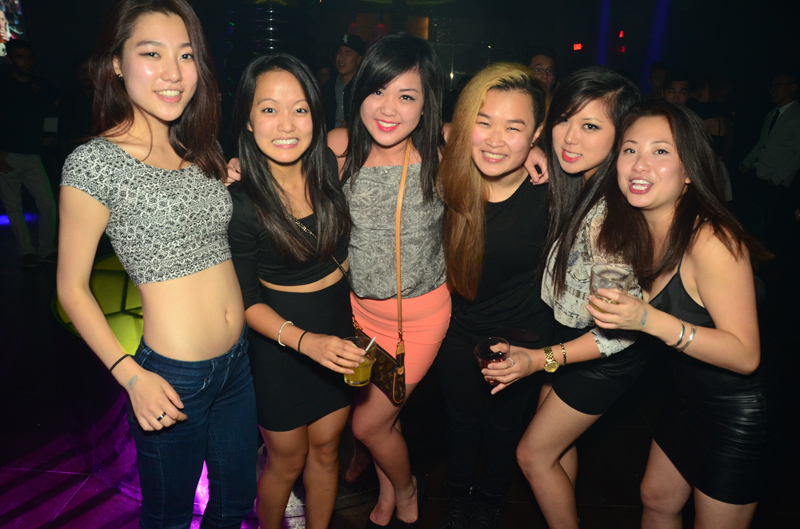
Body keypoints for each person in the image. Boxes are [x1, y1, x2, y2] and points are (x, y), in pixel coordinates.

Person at [56, 1, 256, 527]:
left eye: (186, 55)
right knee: (168, 519)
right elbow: (71, 287)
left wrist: (227, 178)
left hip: (237, 362)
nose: (173, 73)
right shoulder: (94, 163)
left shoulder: (198, 147)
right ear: (116, 64)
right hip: (172, 378)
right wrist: (130, 376)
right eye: (152, 54)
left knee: (235, 503)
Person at [590, 100, 778, 528]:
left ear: (690, 169)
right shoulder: (641, 227)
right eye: (630, 149)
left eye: (661, 151)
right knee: (656, 500)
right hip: (687, 397)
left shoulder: (711, 239)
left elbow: (746, 354)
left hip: (739, 412)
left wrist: (647, 320)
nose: (639, 165)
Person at [483, 66, 643, 529]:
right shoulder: (580, 182)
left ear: (621, 136)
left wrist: (540, 360)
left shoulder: (611, 218)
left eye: (590, 126)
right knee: (556, 447)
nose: (569, 138)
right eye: (564, 119)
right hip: (570, 340)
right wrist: (531, 149)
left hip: (600, 357)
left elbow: (618, 335)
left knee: (533, 455)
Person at [227, 53, 364, 529]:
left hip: (337, 338)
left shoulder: (329, 167)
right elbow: (246, 302)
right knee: (286, 461)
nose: (286, 124)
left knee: (326, 451)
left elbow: (413, 130)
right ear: (248, 120)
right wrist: (308, 343)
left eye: (300, 109)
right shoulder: (240, 204)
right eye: (269, 109)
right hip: (282, 349)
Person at [327, 32, 449, 529]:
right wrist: (236, 166)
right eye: (378, 90)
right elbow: (274, 161)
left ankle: (406, 487)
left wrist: (533, 153)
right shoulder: (338, 148)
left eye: (406, 95)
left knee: (369, 424)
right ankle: (385, 487)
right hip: (358, 317)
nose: (388, 109)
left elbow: (502, 148)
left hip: (418, 319)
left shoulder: (440, 156)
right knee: (384, 420)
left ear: (426, 104)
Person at [437, 63, 552, 529]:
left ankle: (490, 502)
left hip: (520, 334)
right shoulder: (446, 178)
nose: (495, 140)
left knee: (504, 428)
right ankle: (458, 497)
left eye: (514, 128)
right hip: (455, 329)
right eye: (483, 122)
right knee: (460, 422)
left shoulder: (551, 194)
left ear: (537, 133)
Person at [0, 39, 57, 267]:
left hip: (33, 154)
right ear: (9, 59)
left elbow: (51, 111)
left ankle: (46, 249)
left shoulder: (40, 85)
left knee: (48, 204)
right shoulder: (3, 84)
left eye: (29, 57)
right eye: (20, 57)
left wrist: (49, 137)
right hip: (6, 156)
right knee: (14, 206)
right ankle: (27, 251)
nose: (27, 62)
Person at [739, 72, 800, 255]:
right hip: (761, 175)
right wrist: (746, 162)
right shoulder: (771, 114)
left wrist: (777, 178)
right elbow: (762, 144)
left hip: (779, 182)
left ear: (792, 87)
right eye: (771, 87)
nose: (773, 90)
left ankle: (775, 262)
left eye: (778, 86)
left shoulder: (797, 115)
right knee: (756, 222)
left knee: (775, 228)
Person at [321, 33, 366, 131]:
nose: (341, 58)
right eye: (339, 53)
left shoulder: (365, 88)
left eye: (347, 54)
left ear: (359, 59)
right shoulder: (328, 87)